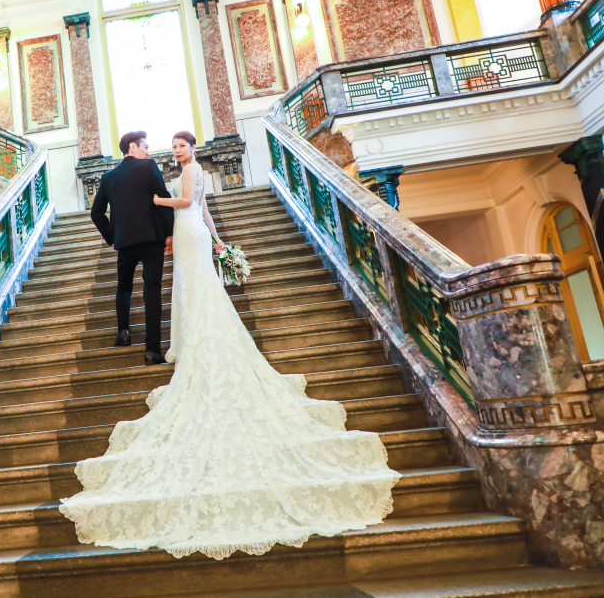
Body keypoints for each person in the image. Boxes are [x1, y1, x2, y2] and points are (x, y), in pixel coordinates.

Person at [60, 131, 400, 560]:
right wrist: (189, 230)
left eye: (179, 146)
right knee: (158, 288)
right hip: (174, 234)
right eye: (163, 145)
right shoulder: (160, 170)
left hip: (150, 235)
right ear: (139, 147)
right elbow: (192, 204)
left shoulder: (122, 175)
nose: (168, 151)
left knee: (139, 287)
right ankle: (152, 343)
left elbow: (144, 206)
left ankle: (128, 330)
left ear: (190, 148)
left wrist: (126, 226)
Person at [90, 130, 174, 365]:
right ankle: (151, 350)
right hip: (152, 239)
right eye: (145, 146)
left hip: (124, 242)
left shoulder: (108, 177)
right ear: (133, 147)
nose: (148, 151)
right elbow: (164, 199)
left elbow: (96, 213)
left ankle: (123, 332)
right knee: (152, 290)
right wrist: (170, 234)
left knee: (124, 287)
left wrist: (112, 236)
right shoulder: (148, 167)